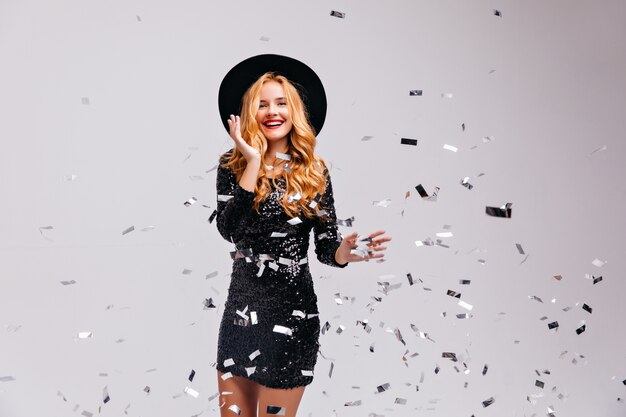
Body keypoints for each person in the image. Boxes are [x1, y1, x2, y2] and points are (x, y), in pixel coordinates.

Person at [214, 54, 391, 417]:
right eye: (262, 104)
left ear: (295, 111)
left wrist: (343, 251)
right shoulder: (231, 166)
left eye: (281, 103)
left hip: (291, 318)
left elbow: (326, 246)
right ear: (250, 112)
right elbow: (230, 231)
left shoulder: (315, 171)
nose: (272, 111)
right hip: (241, 317)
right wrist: (252, 163)